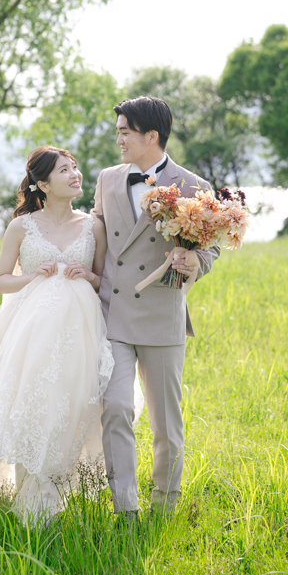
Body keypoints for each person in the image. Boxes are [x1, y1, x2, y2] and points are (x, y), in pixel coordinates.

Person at [0, 145, 144, 524]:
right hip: (30, 333)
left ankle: (53, 492)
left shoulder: (93, 226)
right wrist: (31, 276)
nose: (75, 175)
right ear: (42, 184)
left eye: (75, 167)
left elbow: (104, 280)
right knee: (31, 405)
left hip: (81, 332)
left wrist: (87, 275)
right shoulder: (21, 227)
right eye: (64, 170)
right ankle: (27, 496)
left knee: (71, 407)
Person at [94, 96, 220, 517]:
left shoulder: (193, 185)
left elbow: (211, 247)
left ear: (151, 136)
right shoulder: (108, 179)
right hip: (112, 313)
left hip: (162, 315)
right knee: (115, 408)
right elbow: (96, 234)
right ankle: (125, 508)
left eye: (124, 132)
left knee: (166, 422)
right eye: (118, 132)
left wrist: (195, 262)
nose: (119, 140)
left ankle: (164, 506)